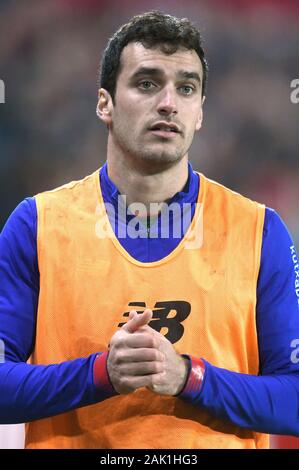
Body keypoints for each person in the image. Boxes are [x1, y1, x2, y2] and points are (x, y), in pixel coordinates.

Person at [0, 10, 299, 450]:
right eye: (146, 83)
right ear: (105, 103)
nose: (168, 102)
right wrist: (100, 374)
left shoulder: (260, 231)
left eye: (186, 88)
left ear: (199, 114)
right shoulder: (37, 225)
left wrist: (188, 376)